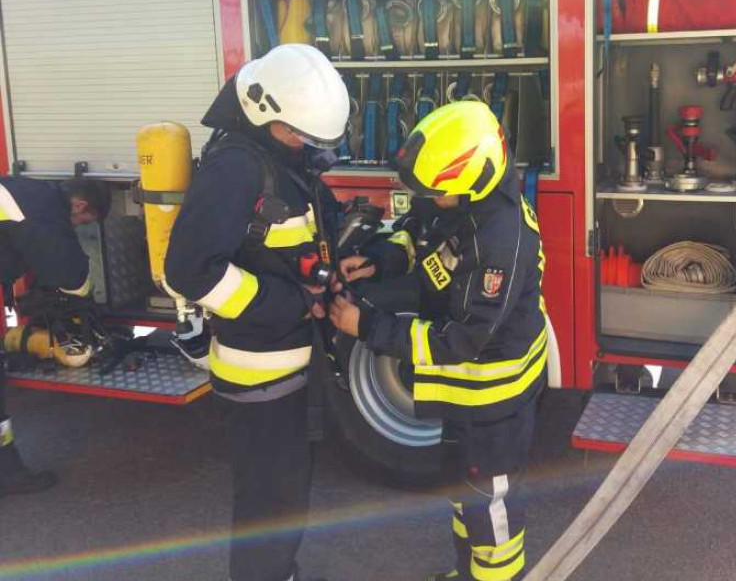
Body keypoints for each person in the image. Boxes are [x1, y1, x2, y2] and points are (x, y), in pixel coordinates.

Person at [330, 101, 550, 581]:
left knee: (491, 512)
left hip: (492, 404)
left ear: (472, 180)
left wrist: (366, 328)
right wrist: (380, 260)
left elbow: (460, 341)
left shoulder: (500, 241)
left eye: (439, 192)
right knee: (464, 495)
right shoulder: (468, 200)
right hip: (464, 400)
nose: (433, 199)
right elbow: (423, 230)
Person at [164, 44, 349, 581]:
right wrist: (288, 301)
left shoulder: (275, 155)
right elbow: (189, 272)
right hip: (259, 371)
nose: (309, 145)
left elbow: (288, 232)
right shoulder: (235, 169)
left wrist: (339, 260)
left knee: (285, 495)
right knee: (270, 505)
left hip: (284, 364)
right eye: (302, 134)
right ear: (266, 112)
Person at [0, 175, 110, 498]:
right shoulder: (40, 209)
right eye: (82, 222)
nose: (76, 228)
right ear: (79, 204)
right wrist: (83, 305)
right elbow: (69, 274)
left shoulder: (29, 191)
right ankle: (6, 472)